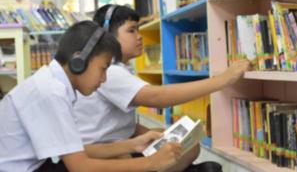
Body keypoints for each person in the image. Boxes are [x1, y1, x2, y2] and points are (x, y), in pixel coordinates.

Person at [74, 5, 251, 172]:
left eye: (138, 29)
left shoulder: (117, 68)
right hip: (99, 150)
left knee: (178, 142)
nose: (139, 36)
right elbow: (156, 97)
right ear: (108, 36)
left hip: (109, 143)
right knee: (182, 149)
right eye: (131, 30)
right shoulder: (110, 71)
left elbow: (114, 121)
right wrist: (223, 80)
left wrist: (158, 134)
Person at [0, 20, 181, 172]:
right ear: (79, 61)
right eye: (103, 68)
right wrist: (152, 163)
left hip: (36, 165)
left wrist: (133, 144)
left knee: (119, 158)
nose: (103, 79)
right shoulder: (51, 92)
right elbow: (80, 166)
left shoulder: (53, 84)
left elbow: (74, 150)